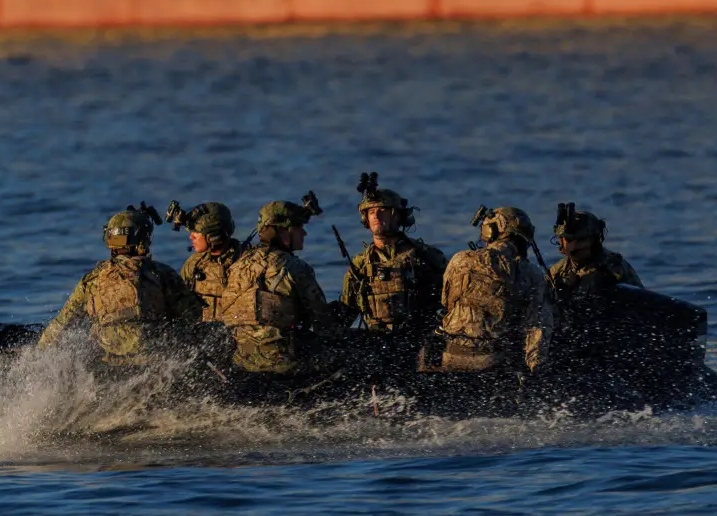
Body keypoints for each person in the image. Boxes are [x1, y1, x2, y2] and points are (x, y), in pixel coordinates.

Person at [38, 203, 202, 368]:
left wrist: (39, 353)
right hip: (154, 361)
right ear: (144, 240)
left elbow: (61, 325)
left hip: (108, 365)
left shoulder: (91, 280)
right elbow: (193, 316)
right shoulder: (162, 274)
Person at [424, 206, 551, 415]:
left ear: (489, 233)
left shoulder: (459, 260)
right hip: (492, 363)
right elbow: (537, 326)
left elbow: (446, 302)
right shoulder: (531, 273)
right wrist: (536, 371)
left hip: (451, 355)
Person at [334, 172, 447, 390]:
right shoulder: (360, 265)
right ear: (364, 219)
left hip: (415, 340)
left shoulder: (426, 257)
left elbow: (449, 303)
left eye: (383, 211)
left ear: (397, 216)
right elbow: (348, 309)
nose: (376, 216)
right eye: (371, 212)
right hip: (377, 343)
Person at [216, 193, 331, 401]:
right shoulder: (295, 267)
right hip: (283, 363)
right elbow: (323, 321)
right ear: (283, 233)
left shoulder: (237, 266)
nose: (303, 232)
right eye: (297, 227)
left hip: (244, 361)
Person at [168, 200, 243, 322]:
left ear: (213, 235)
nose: (191, 237)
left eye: (196, 233)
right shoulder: (194, 264)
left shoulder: (246, 263)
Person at [548, 203, 642, 295]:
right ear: (561, 241)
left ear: (594, 240)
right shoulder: (556, 272)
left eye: (581, 239)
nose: (574, 246)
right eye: (569, 240)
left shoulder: (613, 266)